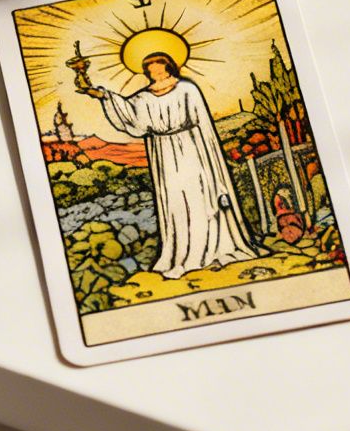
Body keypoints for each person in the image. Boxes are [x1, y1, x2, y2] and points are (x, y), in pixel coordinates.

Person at [81, 52, 261, 277]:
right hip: (164, 154)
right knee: (175, 200)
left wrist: (210, 157)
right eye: (150, 70)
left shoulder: (187, 89)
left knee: (199, 196)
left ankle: (216, 247)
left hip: (192, 148)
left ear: (169, 67)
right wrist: (99, 94)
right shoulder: (144, 98)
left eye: (159, 68)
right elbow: (127, 112)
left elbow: (202, 123)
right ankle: (183, 253)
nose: (155, 73)